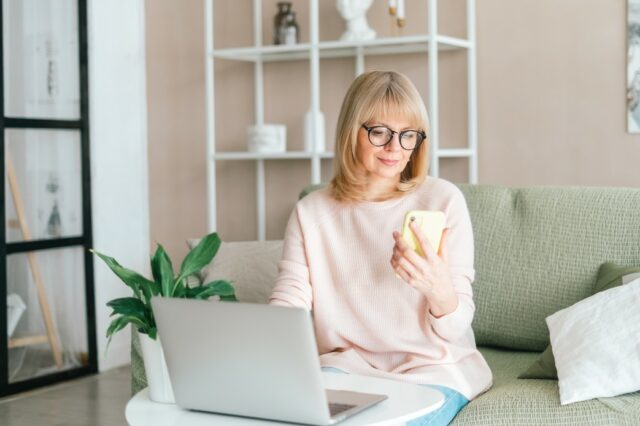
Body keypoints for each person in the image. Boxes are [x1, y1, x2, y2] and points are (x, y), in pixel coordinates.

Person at [269, 70, 492, 425]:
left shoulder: (442, 200)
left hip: (433, 370)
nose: (395, 148)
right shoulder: (312, 212)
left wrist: (439, 292)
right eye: (379, 132)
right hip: (344, 368)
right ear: (350, 132)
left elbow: (456, 326)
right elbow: (289, 302)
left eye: (408, 136)